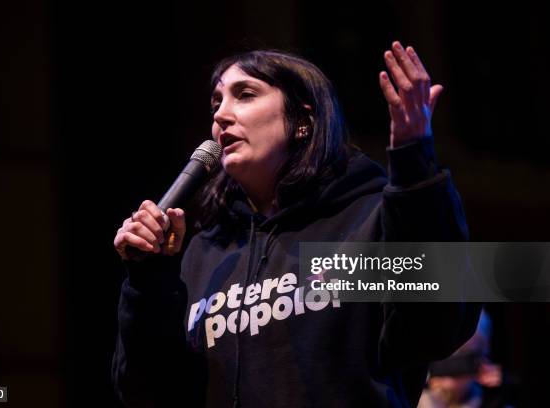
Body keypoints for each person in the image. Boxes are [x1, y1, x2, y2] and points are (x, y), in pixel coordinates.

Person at [112, 42, 481, 407]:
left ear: (302, 121)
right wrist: (149, 280)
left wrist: (414, 161)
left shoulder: (365, 224)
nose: (220, 115)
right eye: (216, 102)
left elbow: (438, 324)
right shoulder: (206, 253)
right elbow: (148, 394)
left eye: (245, 94)